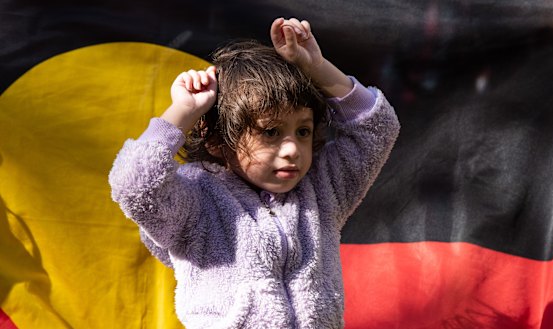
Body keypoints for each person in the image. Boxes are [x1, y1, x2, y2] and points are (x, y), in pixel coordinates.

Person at [109, 17, 400, 329]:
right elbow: (134, 184)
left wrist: (316, 65)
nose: (292, 149)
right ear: (218, 140)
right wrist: (184, 111)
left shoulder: (321, 191)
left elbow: (377, 128)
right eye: (271, 132)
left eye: (303, 131)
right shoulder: (195, 201)